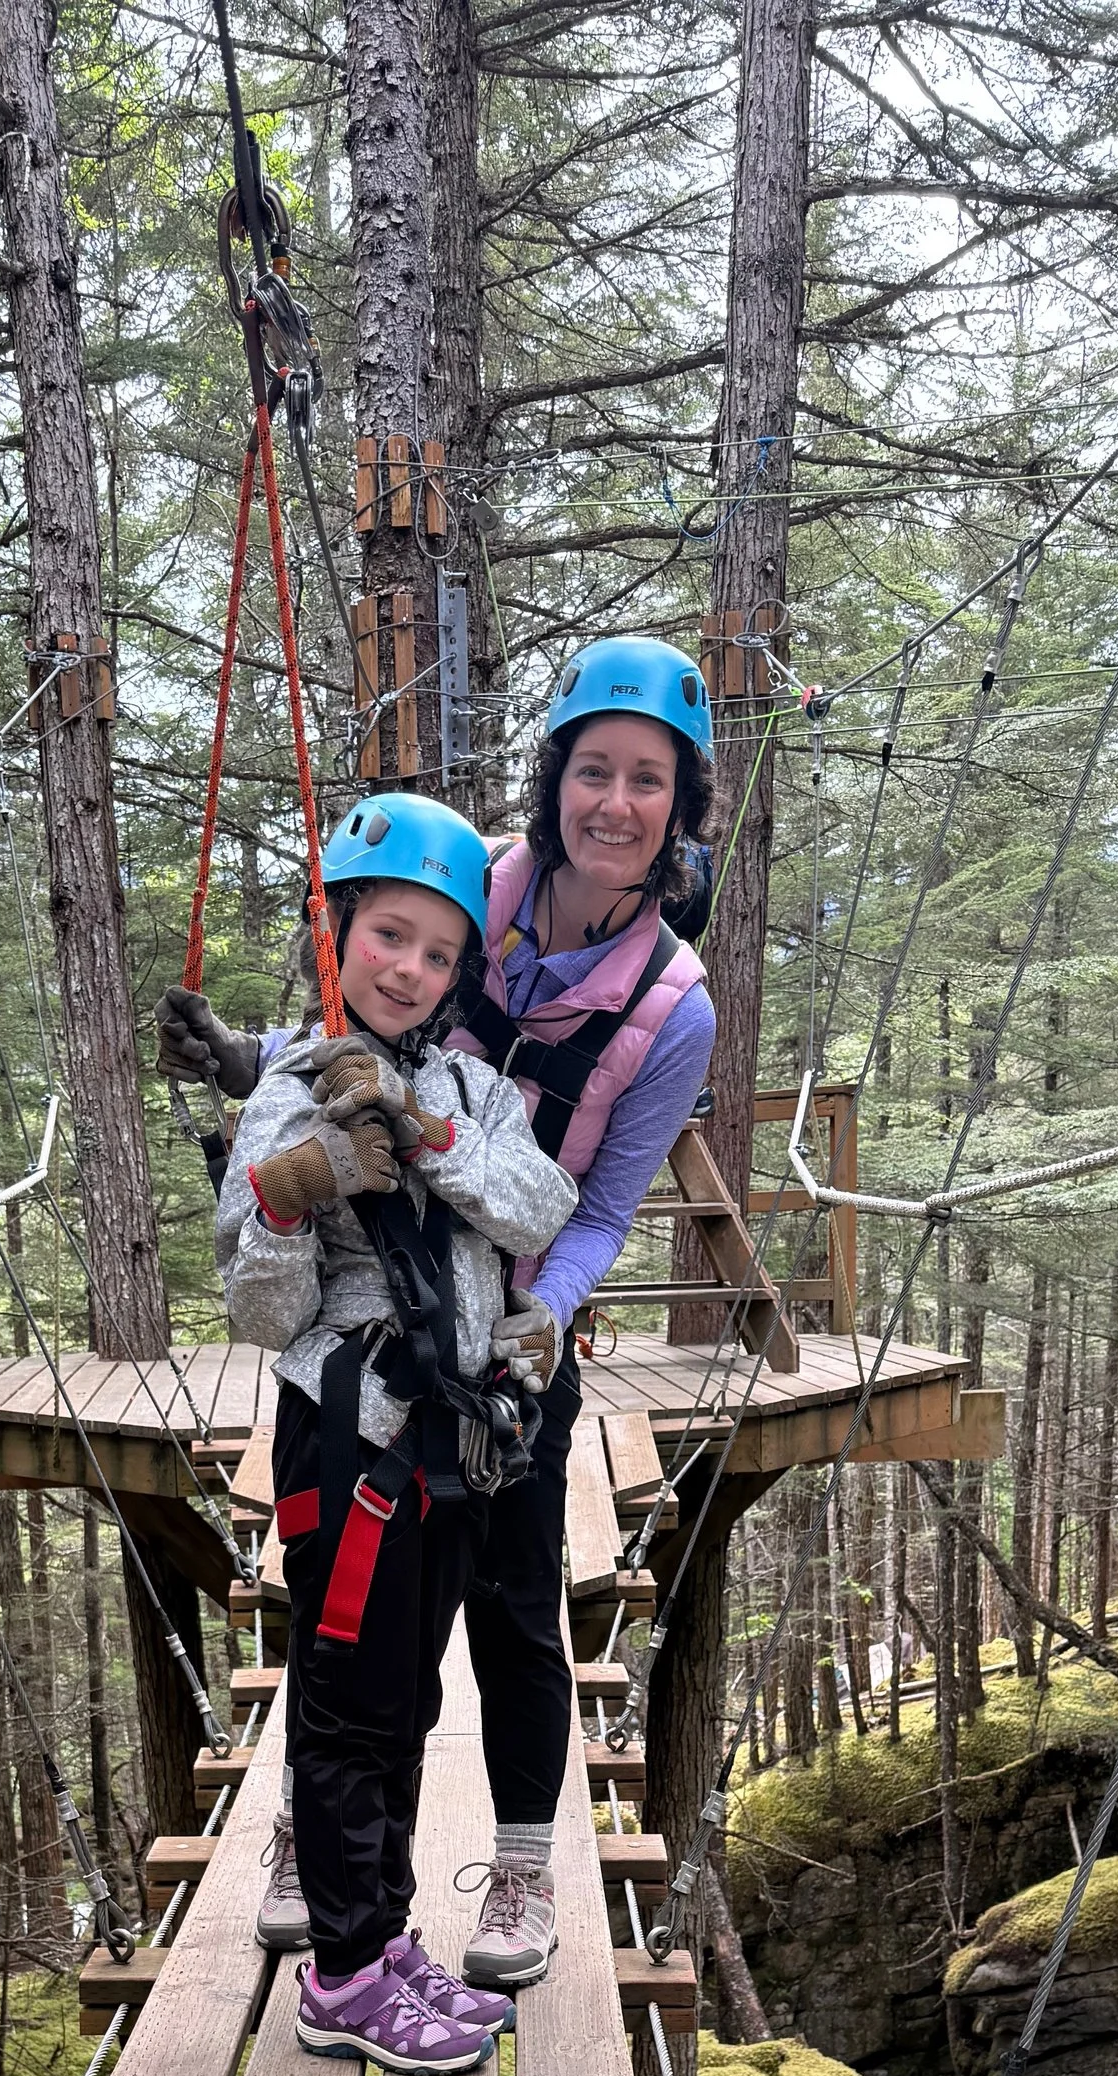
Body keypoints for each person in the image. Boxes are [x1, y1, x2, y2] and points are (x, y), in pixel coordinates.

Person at [165, 638, 717, 1991]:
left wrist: (546, 1322)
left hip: (515, 1319)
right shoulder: (474, 877)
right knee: (363, 1621)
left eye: (647, 780)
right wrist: (258, 1079)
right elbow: (362, 1018)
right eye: (595, 769)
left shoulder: (669, 1007)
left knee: (517, 1602)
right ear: (557, 775)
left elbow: (581, 1209)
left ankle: (519, 1864)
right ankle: (322, 1837)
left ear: (680, 804)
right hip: (374, 1340)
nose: (615, 802)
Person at [216, 794, 577, 2075]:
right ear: (341, 933)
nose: (408, 967)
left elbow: (539, 1204)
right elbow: (263, 1313)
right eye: (386, 935)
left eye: (435, 950)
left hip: (445, 1442)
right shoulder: (285, 1091)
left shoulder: (473, 1088)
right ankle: (346, 1973)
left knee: (406, 1697)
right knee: (353, 1709)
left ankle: (381, 1943)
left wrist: (425, 1139)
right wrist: (296, 1189)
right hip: (353, 1439)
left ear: (459, 967)